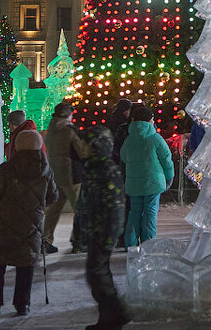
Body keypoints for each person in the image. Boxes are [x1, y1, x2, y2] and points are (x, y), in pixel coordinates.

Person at [0, 129, 58, 319]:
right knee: (26, 263)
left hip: (4, 223)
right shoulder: (45, 170)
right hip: (31, 226)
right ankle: (22, 304)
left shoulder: (7, 168)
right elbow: (53, 196)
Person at [76, 126, 130, 330]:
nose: (81, 147)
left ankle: (115, 316)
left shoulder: (106, 169)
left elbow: (115, 208)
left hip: (102, 233)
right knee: (97, 274)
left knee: (97, 274)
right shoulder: (92, 167)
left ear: (97, 145)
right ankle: (111, 316)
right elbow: (86, 202)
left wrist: (110, 236)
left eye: (85, 144)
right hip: (94, 231)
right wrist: (80, 229)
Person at [121, 104, 174, 247]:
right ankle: (148, 242)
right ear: (150, 120)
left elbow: (124, 157)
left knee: (134, 212)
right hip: (153, 182)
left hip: (133, 183)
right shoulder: (155, 138)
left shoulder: (129, 139)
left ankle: (130, 243)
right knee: (150, 212)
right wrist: (169, 177)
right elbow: (166, 160)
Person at [43, 102, 89, 254]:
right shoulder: (70, 130)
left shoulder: (51, 129)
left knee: (53, 210)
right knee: (80, 209)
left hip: (55, 173)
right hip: (72, 174)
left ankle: (45, 240)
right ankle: (79, 241)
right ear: (69, 114)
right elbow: (82, 152)